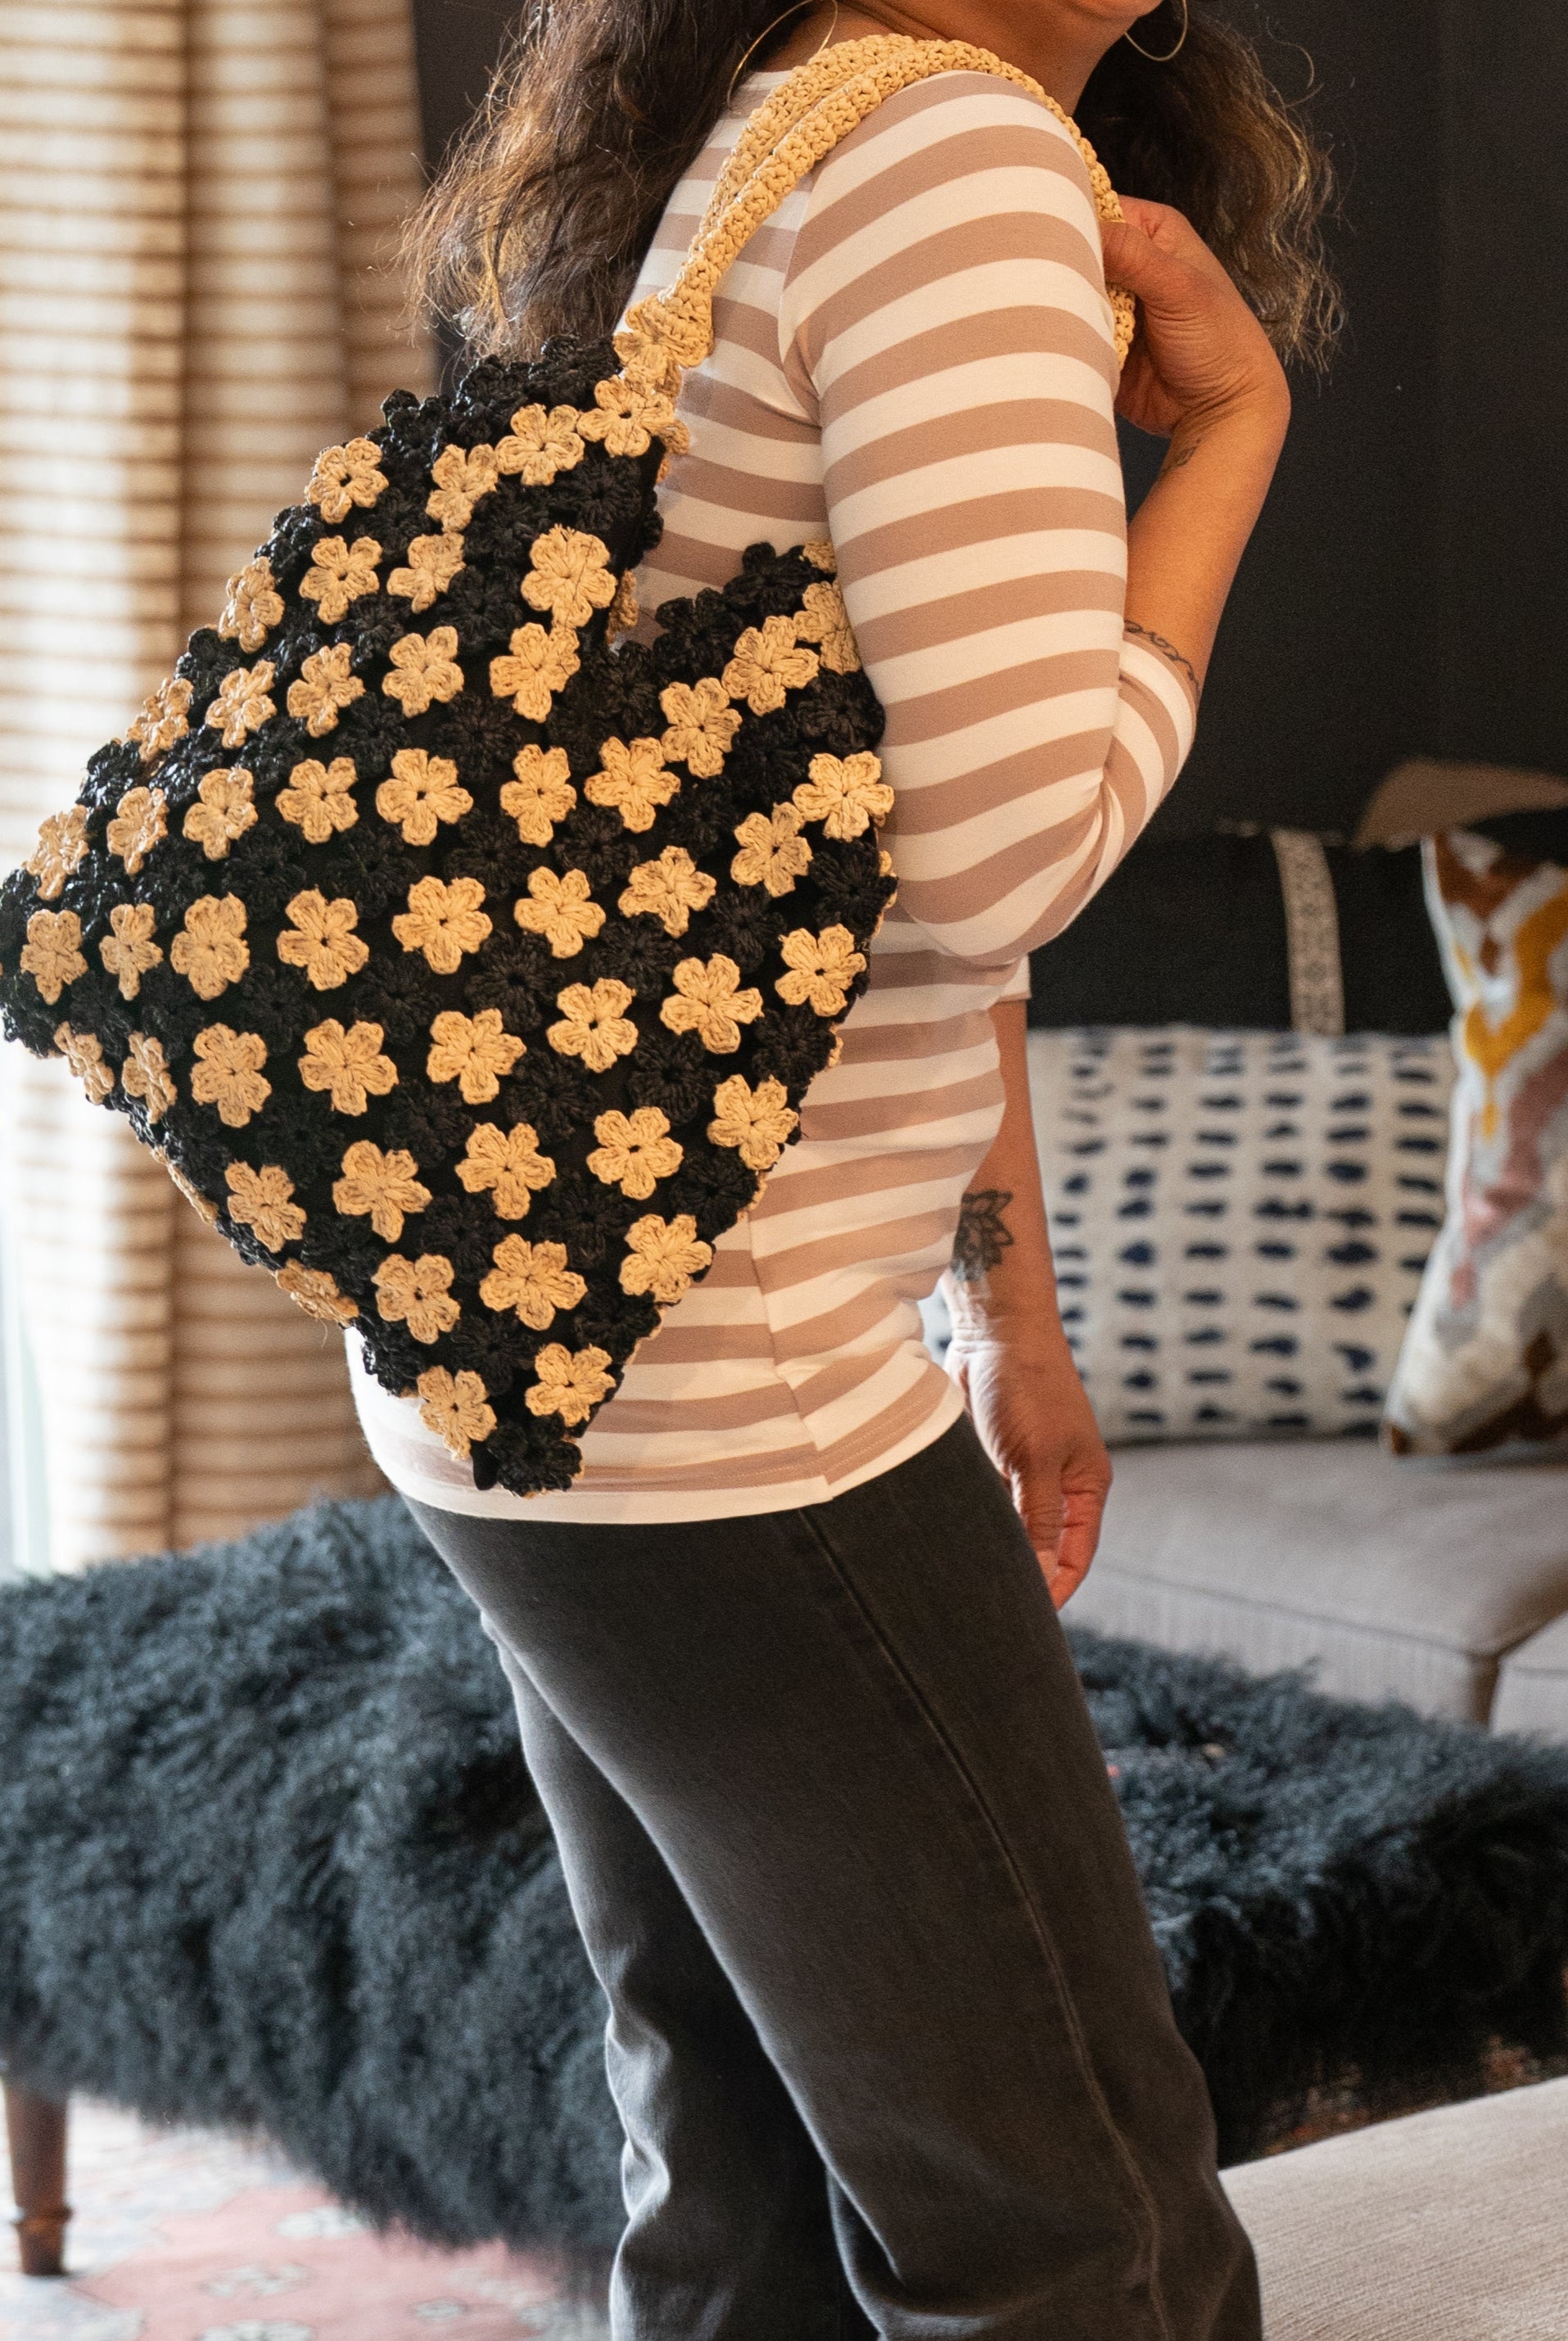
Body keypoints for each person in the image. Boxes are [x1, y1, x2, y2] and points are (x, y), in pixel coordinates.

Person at [374, 3, 1335, 2332]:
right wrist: (1229, 443)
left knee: (736, 2198)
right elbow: (1000, 850)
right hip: (741, 1391)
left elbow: (830, 836)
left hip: (544, 1340)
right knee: (1076, 2234)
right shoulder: (949, 161)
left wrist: (1008, 1314)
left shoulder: (749, 142)